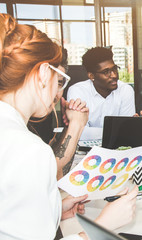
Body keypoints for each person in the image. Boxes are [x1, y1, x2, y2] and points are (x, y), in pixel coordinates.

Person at [0, 14, 137, 240]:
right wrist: (104, 225)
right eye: (61, 79)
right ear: (44, 74)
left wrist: (55, 208)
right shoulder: (28, 150)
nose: (60, 92)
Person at [28, 48, 89, 179]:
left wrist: (69, 127)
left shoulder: (42, 117)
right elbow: (47, 175)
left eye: (60, 83)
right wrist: (76, 125)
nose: (56, 91)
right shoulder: (13, 123)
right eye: (51, 81)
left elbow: (59, 174)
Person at [67, 47, 135, 140]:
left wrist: (92, 132)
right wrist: (115, 132)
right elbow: (78, 132)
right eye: (106, 72)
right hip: (84, 150)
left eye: (114, 69)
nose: (114, 75)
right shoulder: (77, 91)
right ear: (91, 76)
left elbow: (127, 130)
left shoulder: (126, 90)